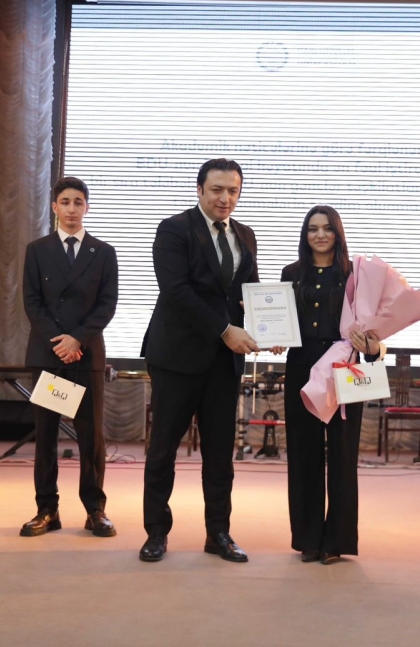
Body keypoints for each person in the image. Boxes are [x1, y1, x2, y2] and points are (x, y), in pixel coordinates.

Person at [139, 158, 261, 563]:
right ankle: (156, 532)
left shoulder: (245, 234)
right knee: (163, 450)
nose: (225, 198)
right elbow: (176, 291)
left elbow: (250, 293)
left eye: (233, 191)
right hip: (176, 357)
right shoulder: (174, 229)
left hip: (223, 364)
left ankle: (218, 533)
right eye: (217, 190)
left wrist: (271, 330)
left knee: (220, 454)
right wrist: (225, 330)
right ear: (200, 190)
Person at [276, 205, 380, 565]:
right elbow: (279, 321)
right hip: (302, 368)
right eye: (312, 229)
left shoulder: (356, 275)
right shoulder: (291, 273)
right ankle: (308, 538)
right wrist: (273, 335)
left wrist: (373, 347)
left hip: (346, 367)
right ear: (304, 235)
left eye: (327, 228)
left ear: (338, 233)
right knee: (303, 453)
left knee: (342, 454)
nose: (319, 235)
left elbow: (376, 330)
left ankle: (336, 540)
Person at [20, 176, 119, 538]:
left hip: (86, 356)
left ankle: (95, 510)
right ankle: (47, 510)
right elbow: (32, 302)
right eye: (65, 202)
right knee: (46, 436)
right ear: (54, 207)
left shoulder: (103, 252)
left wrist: (77, 339)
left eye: (78, 202)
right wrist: (60, 343)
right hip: (50, 356)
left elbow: (107, 304)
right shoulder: (37, 250)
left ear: (87, 207)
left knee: (91, 438)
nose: (72, 209)